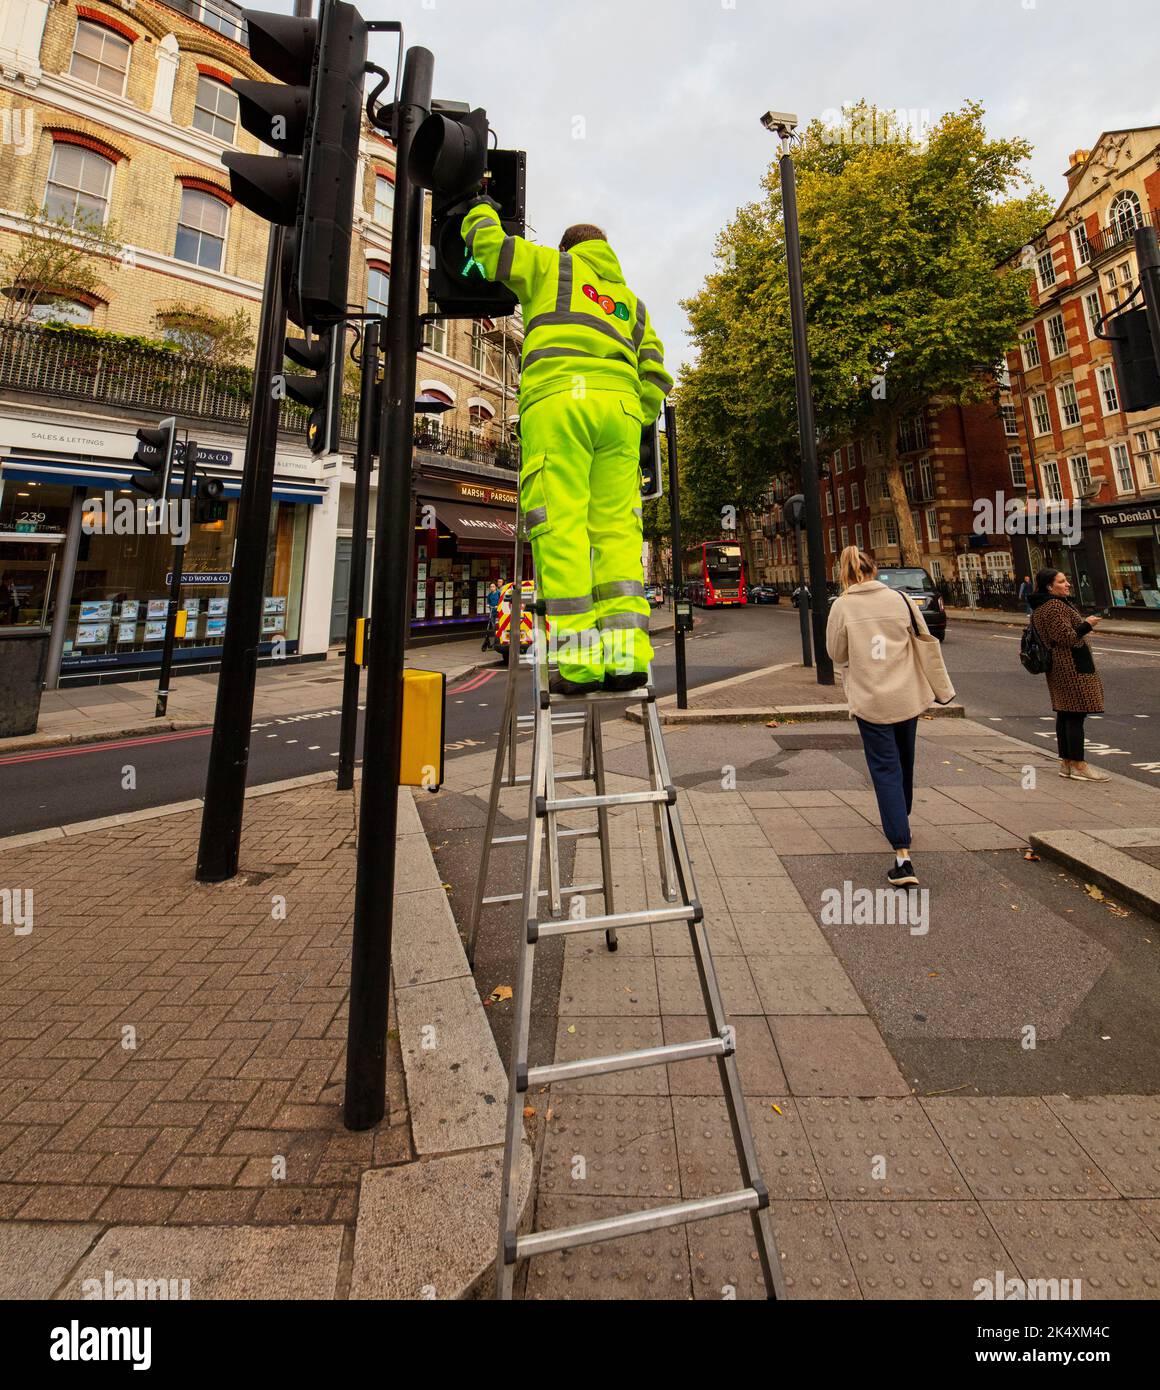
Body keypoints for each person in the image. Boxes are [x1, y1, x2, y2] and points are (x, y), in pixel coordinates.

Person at [461, 198, 674, 696]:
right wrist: (634, 412)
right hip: (620, 415)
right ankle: (626, 659)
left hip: (560, 406)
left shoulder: (550, 267)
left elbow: (490, 250)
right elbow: (656, 373)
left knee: (562, 533)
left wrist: (477, 207)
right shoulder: (632, 304)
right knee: (617, 534)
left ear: (567, 248)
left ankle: (579, 665)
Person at [826, 546, 947, 887]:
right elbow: (924, 637)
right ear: (875, 570)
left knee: (885, 770)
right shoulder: (901, 599)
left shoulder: (842, 606)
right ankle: (900, 819)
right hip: (907, 695)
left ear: (845, 575)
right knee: (905, 761)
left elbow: (835, 653)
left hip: (871, 700)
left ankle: (902, 855)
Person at [1028, 568, 1108, 781]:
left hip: (1062, 666)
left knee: (1065, 714)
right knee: (1075, 715)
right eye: (1062, 581)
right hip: (1071, 666)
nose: (1067, 584)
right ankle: (1079, 765)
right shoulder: (1054, 606)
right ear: (1049, 587)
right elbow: (1066, 637)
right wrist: (1087, 624)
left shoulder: (1043, 606)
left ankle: (1066, 764)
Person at [482, 581, 500, 651]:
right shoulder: (489, 595)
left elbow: (502, 602)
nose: (492, 588)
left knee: (498, 627)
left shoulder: (499, 593)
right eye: (491, 587)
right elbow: (488, 602)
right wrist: (488, 605)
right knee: (494, 628)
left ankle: (498, 641)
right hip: (492, 613)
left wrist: (498, 606)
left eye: (493, 586)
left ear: (496, 587)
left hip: (498, 613)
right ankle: (495, 642)